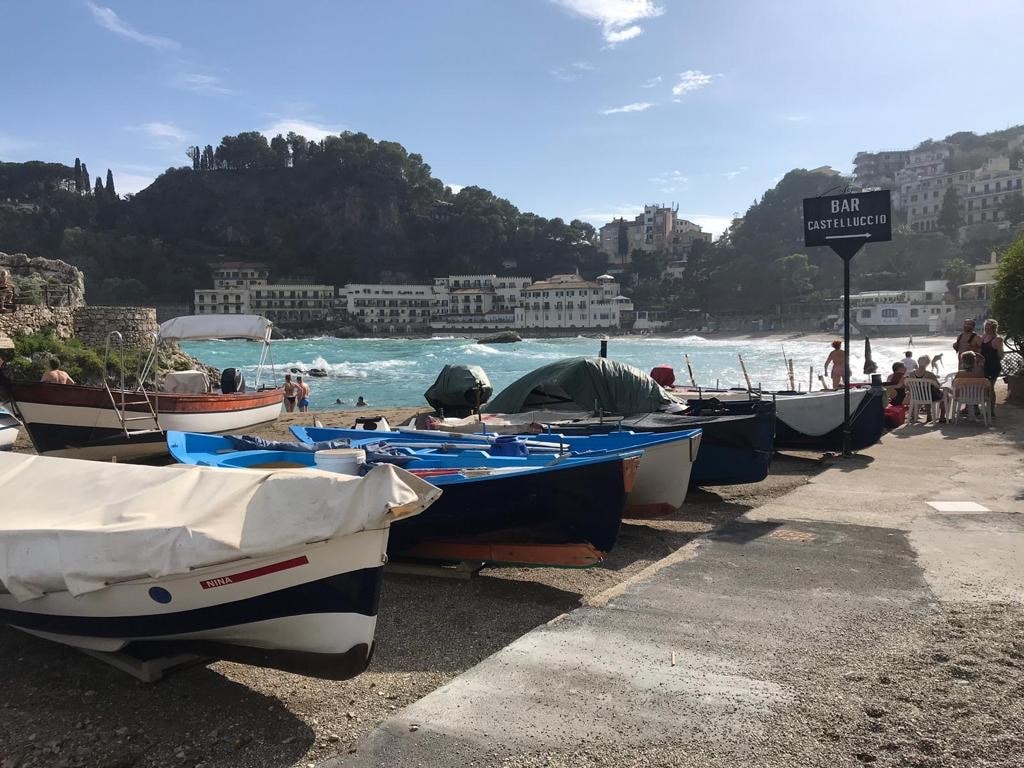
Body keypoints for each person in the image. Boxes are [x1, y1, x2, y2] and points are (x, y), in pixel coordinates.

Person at [906, 355, 947, 423]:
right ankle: (942, 417)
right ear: (928, 363)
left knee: (926, 393)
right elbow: (938, 386)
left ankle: (929, 416)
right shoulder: (930, 374)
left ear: (918, 362)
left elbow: (908, 385)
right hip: (929, 397)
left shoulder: (911, 374)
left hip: (916, 396)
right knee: (946, 396)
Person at [953, 351, 994, 416]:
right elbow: (985, 385)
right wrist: (976, 354)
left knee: (967, 391)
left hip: (962, 397)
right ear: (974, 361)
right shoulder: (979, 373)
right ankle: (978, 410)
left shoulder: (959, 374)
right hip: (979, 397)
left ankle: (971, 410)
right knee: (975, 390)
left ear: (963, 362)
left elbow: (954, 385)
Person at [980, 319, 1004, 414]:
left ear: (994, 328)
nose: (987, 329)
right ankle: (985, 407)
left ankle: (991, 410)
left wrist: (993, 360)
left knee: (990, 388)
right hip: (983, 366)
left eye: (989, 327)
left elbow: (1001, 355)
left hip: (993, 366)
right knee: (984, 388)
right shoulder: (984, 337)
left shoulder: (997, 339)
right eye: (986, 327)